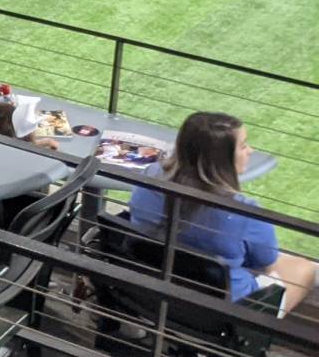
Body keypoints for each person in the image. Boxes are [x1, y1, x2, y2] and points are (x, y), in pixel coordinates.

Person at [128, 112, 316, 312]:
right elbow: (266, 263)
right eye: (243, 146)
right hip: (221, 315)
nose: (250, 151)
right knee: (304, 269)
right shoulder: (244, 212)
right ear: (222, 158)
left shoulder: (149, 176)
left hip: (149, 289)